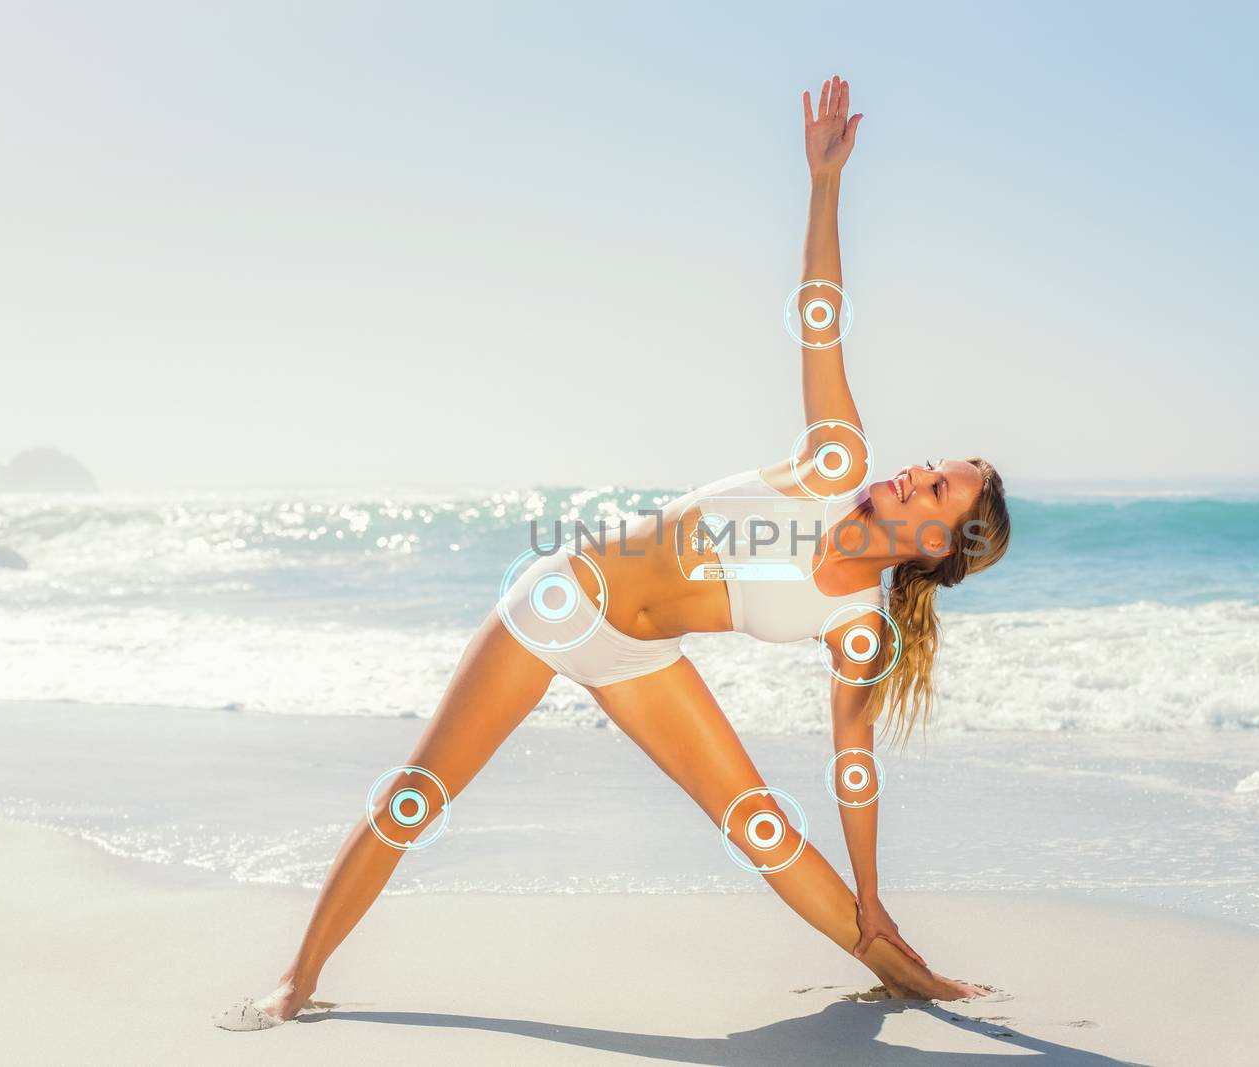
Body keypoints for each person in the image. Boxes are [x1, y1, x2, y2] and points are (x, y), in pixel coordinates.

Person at [222, 73, 1012, 1031]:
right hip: (563, 602)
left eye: (936, 488)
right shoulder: (832, 459)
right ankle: (299, 978)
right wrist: (824, 186)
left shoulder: (859, 631)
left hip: (642, 659)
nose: (913, 474)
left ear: (935, 545)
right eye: (930, 465)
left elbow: (854, 769)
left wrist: (873, 898)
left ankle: (899, 966)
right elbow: (820, 313)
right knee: (416, 797)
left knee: (761, 827)